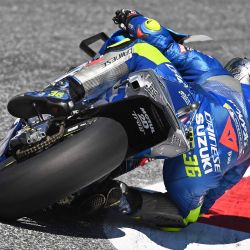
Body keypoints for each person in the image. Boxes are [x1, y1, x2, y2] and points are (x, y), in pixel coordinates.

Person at [7, 10, 250, 231]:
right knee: (183, 214)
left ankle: (62, 93)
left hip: (193, 111)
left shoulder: (220, 76)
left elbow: (164, 42)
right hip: (202, 168)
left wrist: (133, 19)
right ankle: (122, 199)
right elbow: (222, 187)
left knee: (141, 50)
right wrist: (194, 207)